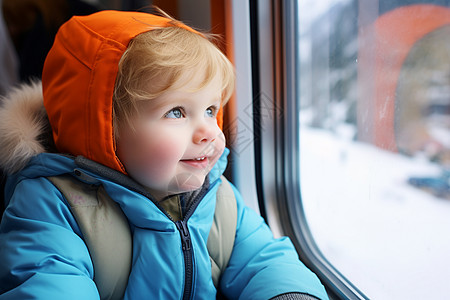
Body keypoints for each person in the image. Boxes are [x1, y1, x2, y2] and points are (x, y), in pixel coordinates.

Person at [0, 10, 329, 300]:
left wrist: (290, 294)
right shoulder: (51, 206)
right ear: (103, 129)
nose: (210, 133)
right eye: (176, 112)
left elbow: (264, 259)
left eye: (211, 109)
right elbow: (48, 281)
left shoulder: (218, 198)